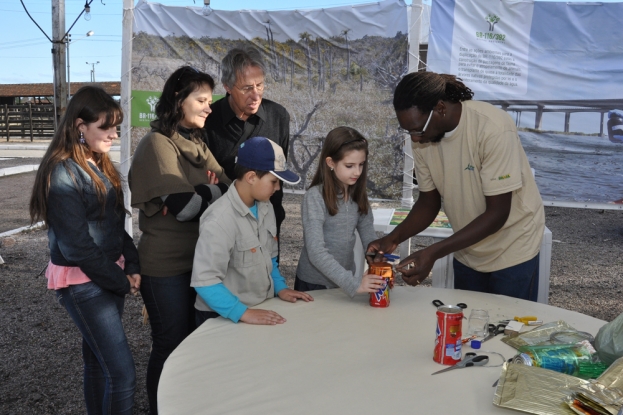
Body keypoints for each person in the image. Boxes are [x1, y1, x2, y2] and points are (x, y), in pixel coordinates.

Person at [367, 71, 545, 301]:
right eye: (408, 131)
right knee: (468, 329)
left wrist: (432, 253)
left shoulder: (492, 128)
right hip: (467, 248)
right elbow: (429, 201)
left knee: (507, 330)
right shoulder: (423, 140)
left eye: (417, 130)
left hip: (514, 249)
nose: (415, 139)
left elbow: (498, 213)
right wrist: (392, 239)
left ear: (440, 108)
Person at [29, 86, 141, 414]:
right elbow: (76, 247)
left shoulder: (100, 163)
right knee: (122, 375)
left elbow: (117, 224)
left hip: (105, 277)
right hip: (84, 284)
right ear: (81, 127)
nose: (113, 134)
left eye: (115, 126)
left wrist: (131, 264)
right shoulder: (62, 172)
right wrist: (121, 281)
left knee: (98, 365)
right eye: (105, 127)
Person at [129, 66, 230, 414]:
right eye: (201, 100)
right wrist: (208, 188)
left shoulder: (196, 144)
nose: (209, 107)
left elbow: (233, 191)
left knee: (193, 343)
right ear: (177, 99)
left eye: (210, 100)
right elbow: (186, 208)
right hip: (166, 267)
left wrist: (206, 191)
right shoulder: (157, 144)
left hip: (200, 264)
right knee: (170, 343)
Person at [191, 136, 313, 326]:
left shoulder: (266, 206)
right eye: (274, 181)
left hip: (258, 307)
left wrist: (280, 287)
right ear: (251, 177)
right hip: (220, 316)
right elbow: (205, 281)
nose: (278, 188)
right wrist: (243, 313)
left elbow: (269, 258)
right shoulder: (219, 219)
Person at [203, 46, 290, 252]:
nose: (255, 95)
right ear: (228, 86)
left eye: (260, 85)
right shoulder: (208, 119)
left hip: (267, 223)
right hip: (223, 225)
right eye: (246, 88)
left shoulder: (278, 116)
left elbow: (279, 170)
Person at [295, 126, 385, 296]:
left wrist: (378, 260)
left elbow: (369, 236)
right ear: (330, 162)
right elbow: (315, 251)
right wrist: (353, 283)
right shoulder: (314, 197)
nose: (357, 172)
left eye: (361, 164)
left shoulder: (359, 195)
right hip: (314, 284)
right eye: (349, 165)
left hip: (345, 281)